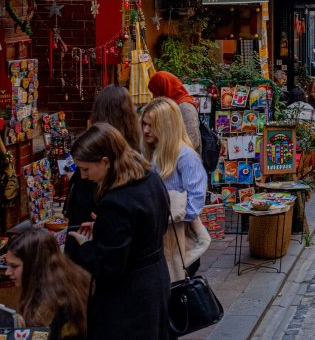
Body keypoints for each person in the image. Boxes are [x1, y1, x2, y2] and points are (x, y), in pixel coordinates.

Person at [67, 123, 170, 339]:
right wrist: (104, 227)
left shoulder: (116, 201)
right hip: (155, 282)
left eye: (85, 169)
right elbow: (148, 224)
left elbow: (109, 267)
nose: (83, 176)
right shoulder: (150, 178)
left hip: (129, 298)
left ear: (105, 162)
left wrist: (86, 246)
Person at [64, 85, 142, 261]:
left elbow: (79, 211)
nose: (85, 174)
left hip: (90, 244)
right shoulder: (133, 160)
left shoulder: (95, 162)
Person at [141, 97, 210, 281]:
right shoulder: (149, 152)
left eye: (151, 125)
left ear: (166, 126)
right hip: (157, 238)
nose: (146, 130)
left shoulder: (186, 157)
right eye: (144, 124)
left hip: (178, 239)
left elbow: (195, 202)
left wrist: (167, 217)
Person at [5, 227, 89, 339]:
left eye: (14, 266)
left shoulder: (53, 303)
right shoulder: (64, 280)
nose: (7, 272)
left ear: (34, 265)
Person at [147, 71, 200, 157]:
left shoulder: (185, 107)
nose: (154, 97)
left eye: (156, 93)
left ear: (163, 89)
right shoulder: (172, 106)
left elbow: (193, 140)